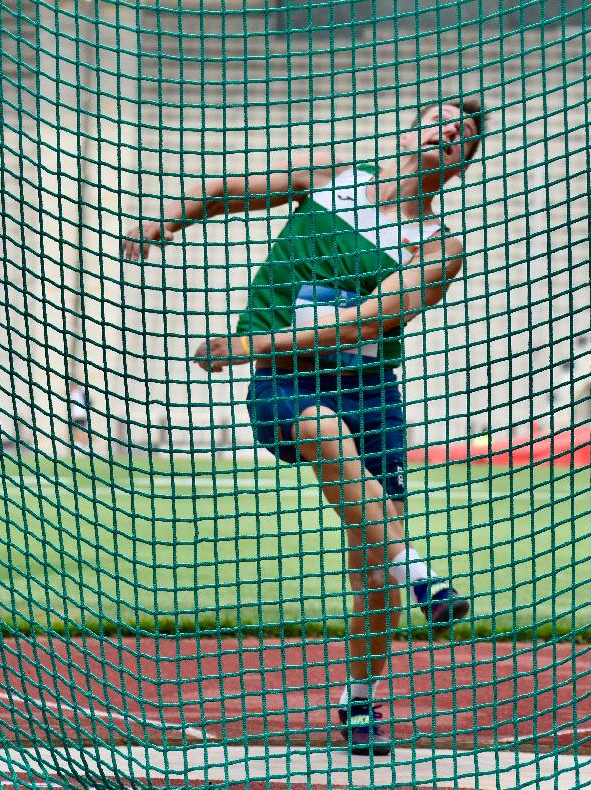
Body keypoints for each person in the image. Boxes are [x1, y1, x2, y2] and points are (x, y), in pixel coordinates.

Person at [123, 97, 486, 755]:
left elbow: (366, 322)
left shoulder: (440, 247)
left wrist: (247, 345)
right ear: (413, 128)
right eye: (441, 120)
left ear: (461, 165)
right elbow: (228, 190)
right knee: (322, 433)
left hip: (369, 390)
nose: (450, 132)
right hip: (290, 384)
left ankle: (360, 699)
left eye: (464, 135)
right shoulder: (336, 179)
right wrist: (166, 222)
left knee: (370, 573)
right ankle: (424, 575)